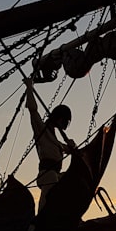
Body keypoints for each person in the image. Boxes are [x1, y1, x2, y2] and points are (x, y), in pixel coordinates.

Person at [24, 78, 74, 211]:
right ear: (59, 118)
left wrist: (72, 147)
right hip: (46, 173)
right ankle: (42, 216)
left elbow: (70, 150)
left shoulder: (56, 141)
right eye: (64, 121)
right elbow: (33, 111)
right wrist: (29, 88)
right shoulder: (42, 130)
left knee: (70, 180)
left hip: (55, 174)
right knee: (52, 182)